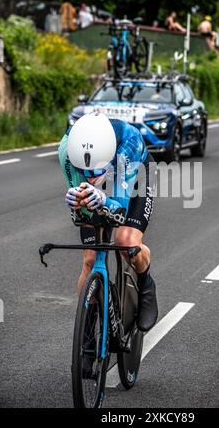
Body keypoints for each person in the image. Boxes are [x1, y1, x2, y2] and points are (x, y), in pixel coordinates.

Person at [58, 111, 158, 334]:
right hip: (107, 171)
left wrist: (104, 199)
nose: (91, 177)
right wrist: (75, 202)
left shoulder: (127, 146)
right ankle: (86, 332)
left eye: (96, 171)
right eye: (85, 172)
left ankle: (146, 283)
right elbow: (80, 214)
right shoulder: (66, 150)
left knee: (126, 241)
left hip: (135, 176)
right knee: (90, 258)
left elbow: (119, 211)